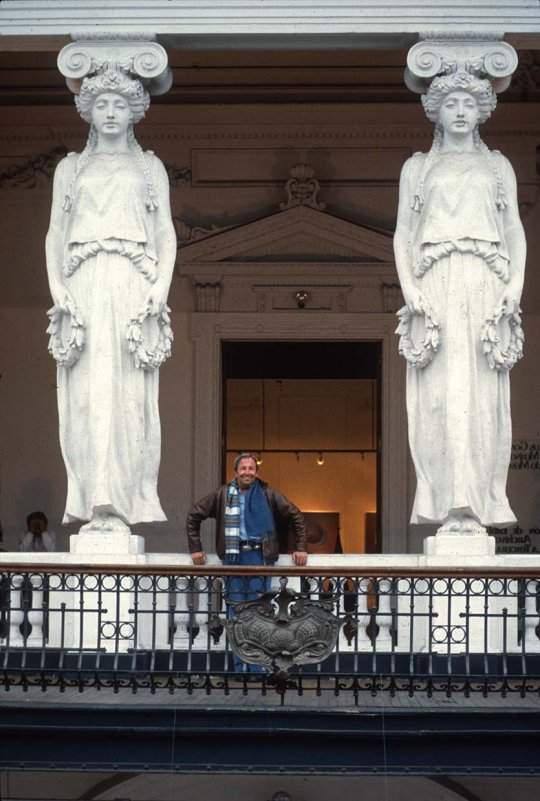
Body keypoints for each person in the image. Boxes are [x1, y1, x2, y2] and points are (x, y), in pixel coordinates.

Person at [393, 69, 526, 532]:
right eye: (452, 104)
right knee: (440, 395)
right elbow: (403, 234)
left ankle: (480, 503)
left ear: (482, 111)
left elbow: (514, 232)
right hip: (434, 283)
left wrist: (515, 286)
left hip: (486, 282)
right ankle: (447, 501)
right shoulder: (418, 168)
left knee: (483, 395)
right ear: (437, 111)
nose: (461, 112)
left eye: (469, 104)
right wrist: (410, 289)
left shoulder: (497, 167)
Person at [45, 67, 176, 532]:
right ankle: (91, 499)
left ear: (134, 112)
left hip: (132, 282)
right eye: (101, 104)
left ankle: (121, 502)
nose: (111, 113)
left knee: (126, 394)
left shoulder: (148, 167)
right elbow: (55, 235)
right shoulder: (70, 168)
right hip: (82, 283)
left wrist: (159, 292)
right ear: (88, 111)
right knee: (87, 394)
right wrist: (59, 290)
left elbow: (165, 233)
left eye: (120, 105)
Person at [186, 453, 308, 672]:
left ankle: (257, 668)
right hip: (233, 557)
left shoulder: (268, 494)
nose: (247, 472)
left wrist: (300, 547)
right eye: (243, 468)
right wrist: (196, 548)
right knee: (236, 612)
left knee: (259, 611)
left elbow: (295, 515)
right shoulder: (223, 494)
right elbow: (194, 515)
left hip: (259, 557)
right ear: (236, 471)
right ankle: (240, 667)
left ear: (256, 472)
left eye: (251, 468)